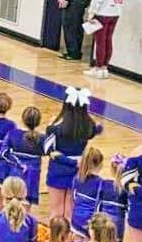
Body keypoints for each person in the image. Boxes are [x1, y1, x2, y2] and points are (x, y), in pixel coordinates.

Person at [43, 87, 101, 221]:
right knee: (70, 211)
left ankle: (55, 234)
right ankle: (69, 235)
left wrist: (51, 124)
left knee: (56, 211)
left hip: (58, 169)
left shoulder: (55, 128)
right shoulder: (89, 127)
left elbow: (48, 150)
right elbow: (98, 128)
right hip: (78, 170)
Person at [69, 145, 126, 242]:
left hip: (75, 221)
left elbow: (73, 199)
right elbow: (99, 206)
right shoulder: (101, 183)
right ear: (100, 164)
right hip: (89, 223)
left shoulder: (77, 178)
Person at [84, 0, 125, 79]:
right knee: (108, 39)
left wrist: (91, 12)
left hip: (102, 12)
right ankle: (104, 67)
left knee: (100, 41)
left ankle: (98, 67)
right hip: (115, 12)